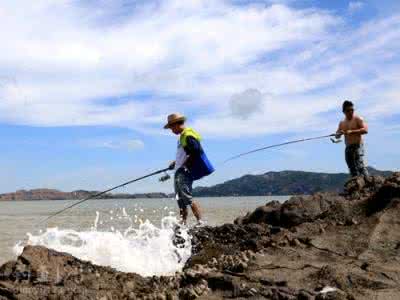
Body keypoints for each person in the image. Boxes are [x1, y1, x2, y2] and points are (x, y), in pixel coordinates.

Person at [164, 113, 215, 224]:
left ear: (176, 124)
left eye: (171, 128)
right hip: (178, 171)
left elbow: (195, 151)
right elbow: (186, 153)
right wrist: (176, 163)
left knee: (187, 197)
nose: (171, 130)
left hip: (183, 172)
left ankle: (200, 222)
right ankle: (183, 223)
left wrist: (184, 167)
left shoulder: (188, 135)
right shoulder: (182, 137)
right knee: (180, 199)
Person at [336, 101, 369, 177]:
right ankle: (357, 183)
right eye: (348, 110)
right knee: (351, 167)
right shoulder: (342, 123)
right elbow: (337, 136)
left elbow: (365, 130)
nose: (350, 112)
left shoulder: (358, 119)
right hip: (348, 146)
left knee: (359, 165)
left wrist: (352, 131)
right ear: (343, 111)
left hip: (358, 145)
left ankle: (368, 182)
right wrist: (339, 133)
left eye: (352, 110)